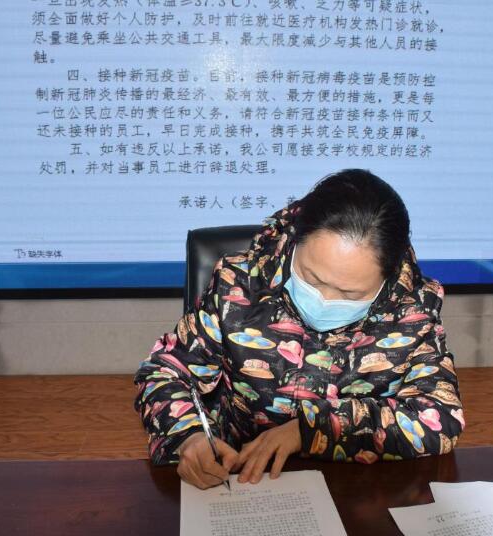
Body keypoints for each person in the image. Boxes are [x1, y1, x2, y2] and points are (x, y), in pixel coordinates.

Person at [134, 169, 465, 489]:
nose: (325, 300)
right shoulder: (239, 283)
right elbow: (166, 372)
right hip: (239, 472)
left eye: (350, 294)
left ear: (387, 278)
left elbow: (439, 418)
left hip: (353, 486)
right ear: (295, 240)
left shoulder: (411, 310)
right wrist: (188, 436)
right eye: (312, 278)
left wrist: (313, 428)